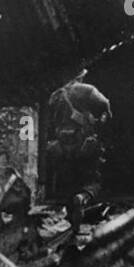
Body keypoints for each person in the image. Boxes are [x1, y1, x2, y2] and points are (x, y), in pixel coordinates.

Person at [46, 76, 111, 230]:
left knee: (69, 182)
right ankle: (83, 198)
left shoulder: (54, 96)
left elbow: (51, 123)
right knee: (92, 181)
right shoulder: (85, 90)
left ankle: (72, 226)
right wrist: (102, 121)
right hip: (83, 143)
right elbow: (105, 105)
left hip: (62, 144)